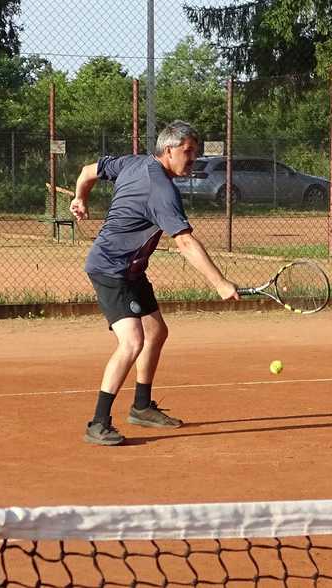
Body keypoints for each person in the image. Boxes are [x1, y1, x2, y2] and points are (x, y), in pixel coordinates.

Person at [70, 120, 239, 446]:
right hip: (110, 269)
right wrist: (219, 282)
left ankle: (142, 407)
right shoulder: (161, 189)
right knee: (132, 341)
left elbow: (87, 171)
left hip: (131, 270)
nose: (193, 158)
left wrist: (81, 198)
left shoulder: (134, 162)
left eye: (195, 152)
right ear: (169, 150)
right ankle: (98, 422)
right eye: (188, 152)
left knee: (157, 332)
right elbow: (186, 243)